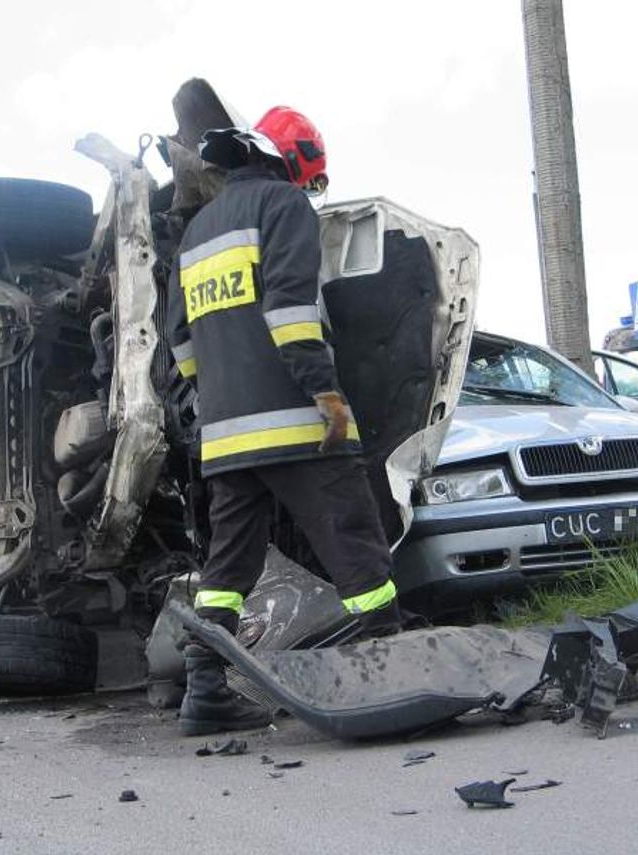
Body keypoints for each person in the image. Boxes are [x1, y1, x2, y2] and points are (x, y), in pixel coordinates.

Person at [167, 106, 404, 736]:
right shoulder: (284, 206)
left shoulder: (196, 232)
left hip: (226, 434)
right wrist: (326, 394)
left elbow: (180, 341)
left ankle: (205, 692)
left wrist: (220, 394)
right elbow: (291, 312)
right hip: (297, 422)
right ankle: (389, 674)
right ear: (293, 162)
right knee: (355, 543)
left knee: (227, 567)